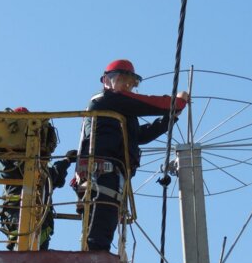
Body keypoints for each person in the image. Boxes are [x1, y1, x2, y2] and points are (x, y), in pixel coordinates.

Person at [76, 59, 189, 251]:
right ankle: (95, 256)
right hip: (103, 170)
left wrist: (170, 118)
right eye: (122, 80)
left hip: (111, 173)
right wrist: (177, 103)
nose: (127, 86)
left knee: (106, 215)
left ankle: (94, 253)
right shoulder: (105, 100)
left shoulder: (121, 112)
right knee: (103, 214)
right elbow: (150, 103)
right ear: (107, 80)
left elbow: (140, 136)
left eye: (131, 83)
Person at [0, 107, 77, 250]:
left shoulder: (38, 166)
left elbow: (51, 176)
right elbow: (36, 174)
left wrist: (66, 161)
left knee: (35, 249)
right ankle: (18, 244)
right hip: (17, 216)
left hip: (40, 222)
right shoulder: (8, 158)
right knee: (24, 244)